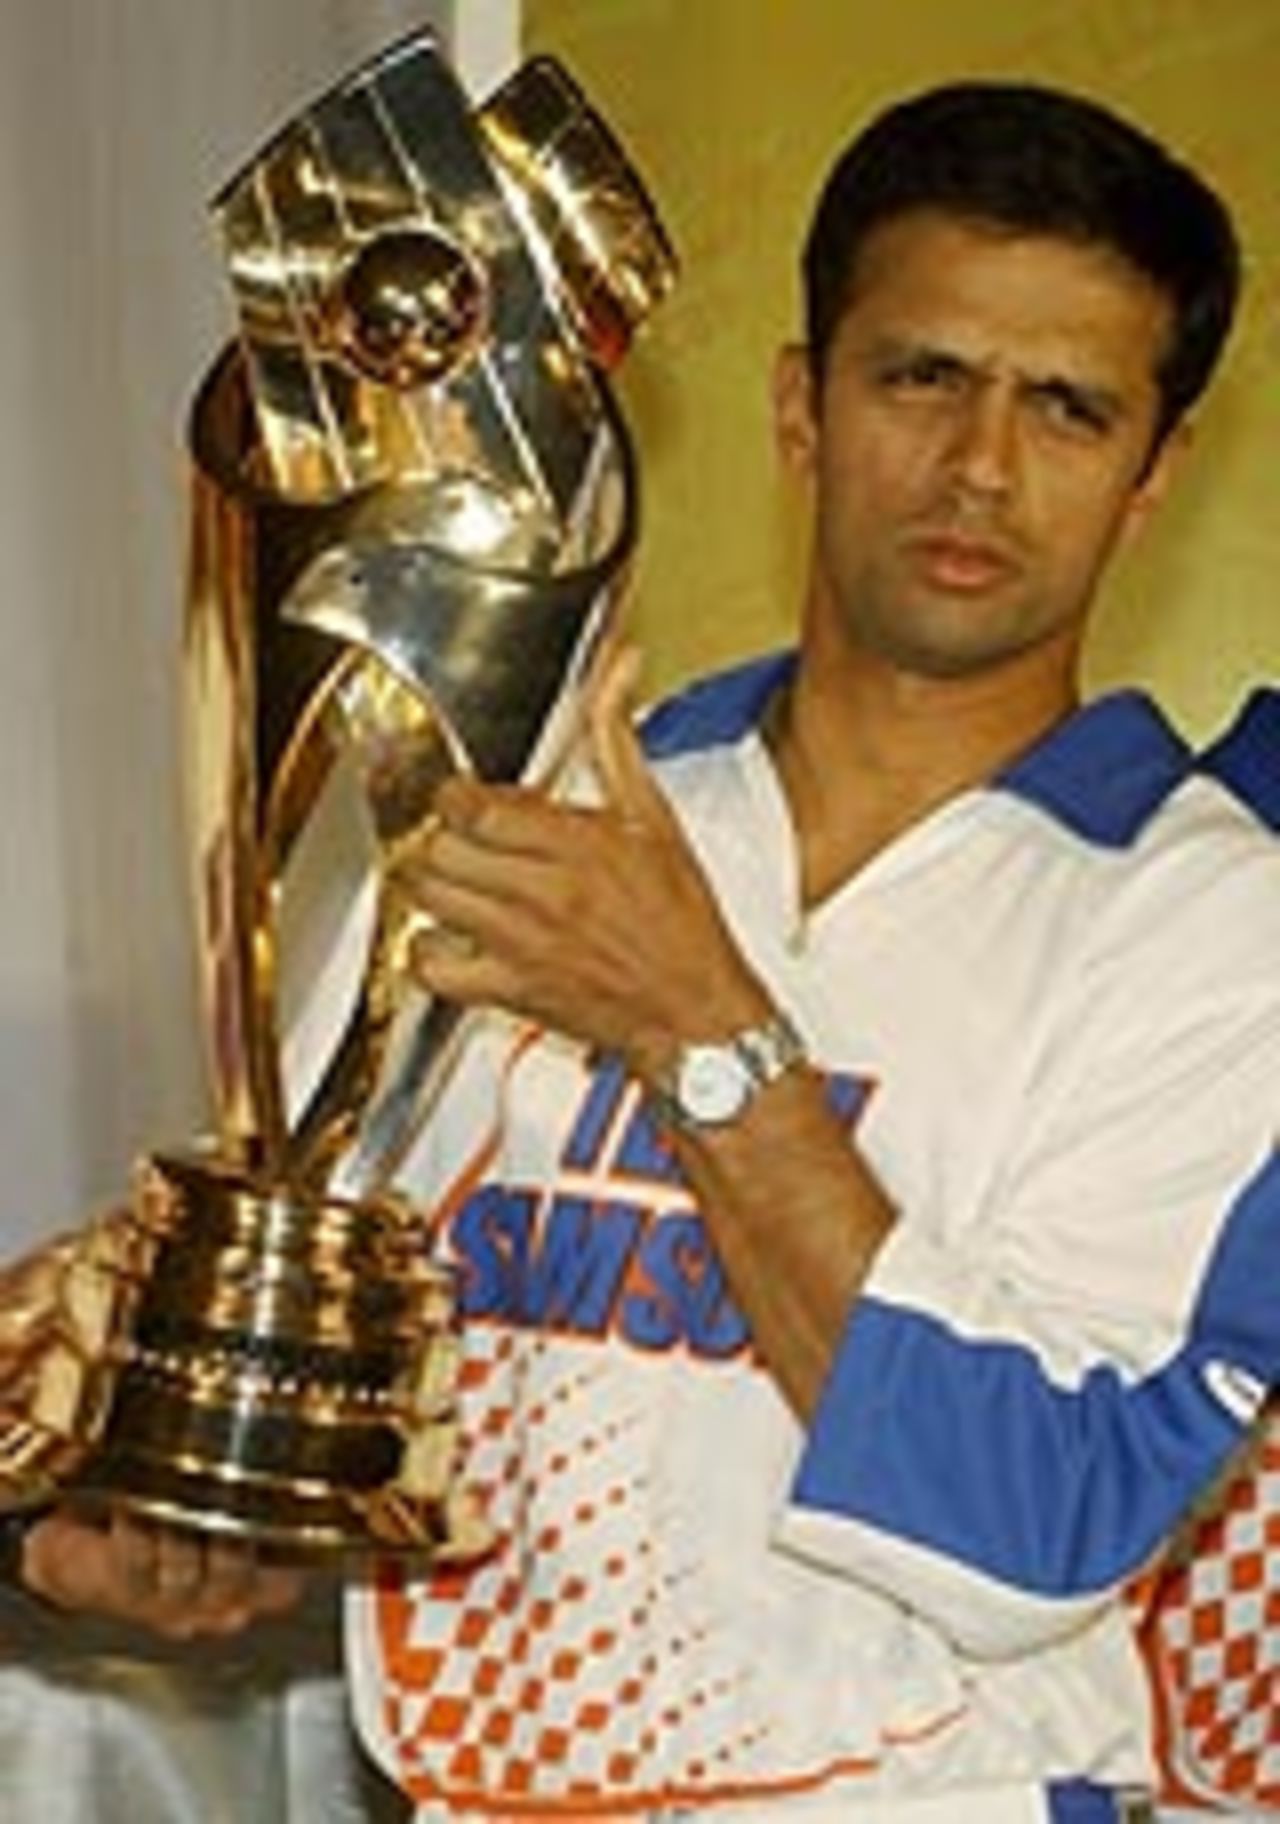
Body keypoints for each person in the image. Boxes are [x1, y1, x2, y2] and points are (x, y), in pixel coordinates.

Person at [337, 79, 1280, 1824]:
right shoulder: (559, 817)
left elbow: (1031, 1521)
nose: (980, 467)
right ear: (801, 407)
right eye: (922, 377)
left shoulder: (1217, 922)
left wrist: (701, 1029)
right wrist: (183, 1523)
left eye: (1067, 410)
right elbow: (368, 1356)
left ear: (1152, 482)